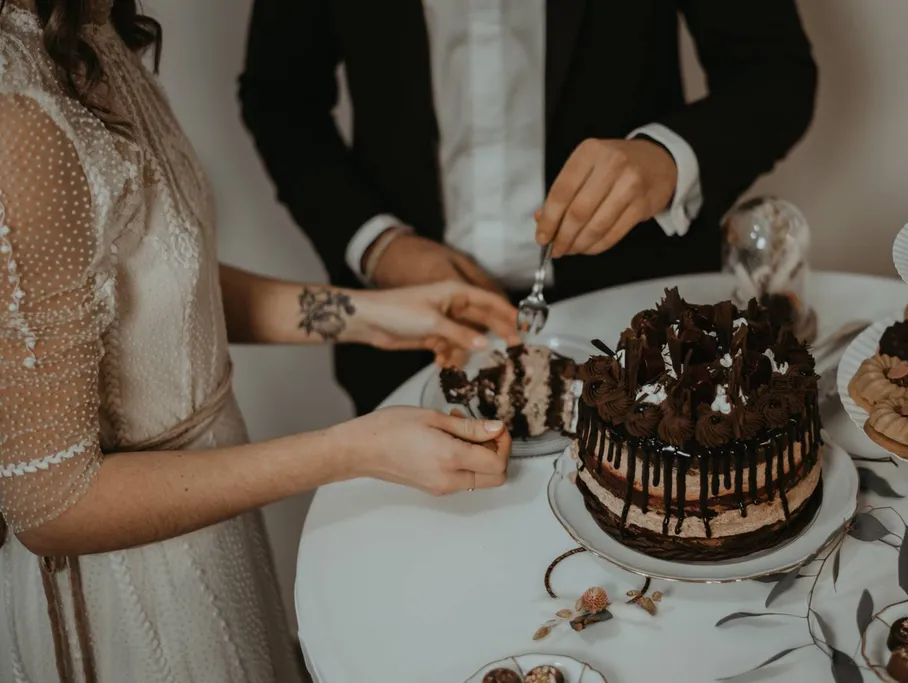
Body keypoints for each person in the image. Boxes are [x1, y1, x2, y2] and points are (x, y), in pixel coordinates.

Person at [0, 1, 519, 681]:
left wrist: (373, 314)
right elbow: (52, 505)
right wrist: (352, 450)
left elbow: (157, 282)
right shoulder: (20, 120)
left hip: (210, 531)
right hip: (132, 595)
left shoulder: (88, 29)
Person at [239, 0, 819, 415]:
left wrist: (666, 159)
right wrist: (378, 244)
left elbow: (775, 72)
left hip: (648, 326)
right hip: (408, 340)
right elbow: (281, 99)